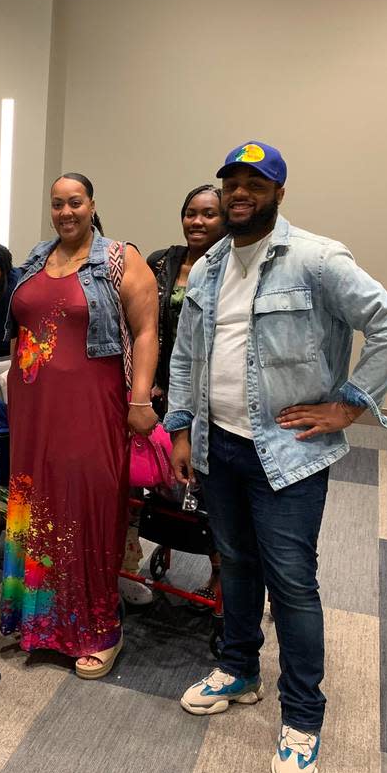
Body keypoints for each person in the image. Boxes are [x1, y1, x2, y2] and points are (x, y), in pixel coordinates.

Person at [167, 142, 387, 773]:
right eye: (231, 183)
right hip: (219, 443)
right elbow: (188, 356)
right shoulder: (210, 264)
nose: (239, 193)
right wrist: (182, 429)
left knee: (293, 584)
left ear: (279, 191)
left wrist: (350, 404)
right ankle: (240, 669)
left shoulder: (317, 259)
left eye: (256, 182)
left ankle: (302, 716)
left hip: (288, 451)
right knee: (237, 564)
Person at [0, 172, 158, 679]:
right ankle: (41, 622)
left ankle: (96, 628)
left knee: (87, 504)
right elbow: (22, 328)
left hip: (92, 401)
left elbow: (147, 332)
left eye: (75, 202)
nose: (66, 212)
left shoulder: (119, 258)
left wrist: (139, 401)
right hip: (33, 404)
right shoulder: (34, 258)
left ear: (92, 204)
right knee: (36, 500)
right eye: (57, 204)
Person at [147, 183, 227, 604]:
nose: (197, 221)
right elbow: (140, 326)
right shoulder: (162, 262)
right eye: (191, 212)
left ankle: (221, 571)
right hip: (160, 389)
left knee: (208, 484)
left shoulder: (234, 265)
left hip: (212, 394)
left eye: (209, 214)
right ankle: (169, 537)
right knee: (161, 474)